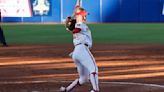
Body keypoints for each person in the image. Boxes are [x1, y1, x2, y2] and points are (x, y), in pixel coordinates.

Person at [60, 0, 99, 92]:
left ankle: (67, 89)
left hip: (76, 52)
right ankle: (95, 90)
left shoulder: (78, 23)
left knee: (83, 78)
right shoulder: (80, 25)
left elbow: (76, 9)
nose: (85, 16)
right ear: (80, 16)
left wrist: (78, 1)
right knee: (93, 69)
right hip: (82, 50)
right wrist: (70, 28)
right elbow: (76, 29)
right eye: (84, 14)